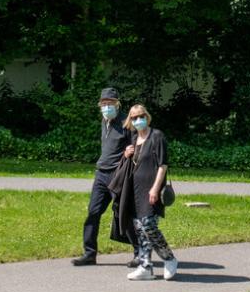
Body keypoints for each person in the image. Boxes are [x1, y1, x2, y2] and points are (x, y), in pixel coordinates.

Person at [71, 86, 139, 267]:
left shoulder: (127, 122)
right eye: (104, 103)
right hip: (101, 174)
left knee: (123, 213)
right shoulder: (105, 120)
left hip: (119, 174)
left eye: (110, 103)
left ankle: (140, 253)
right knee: (93, 212)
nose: (106, 106)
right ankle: (89, 253)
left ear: (117, 104)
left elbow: (137, 145)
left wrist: (130, 151)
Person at [123, 104, 178, 282]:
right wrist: (126, 154)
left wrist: (155, 188)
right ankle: (145, 266)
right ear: (130, 121)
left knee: (148, 225)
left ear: (147, 116)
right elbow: (132, 163)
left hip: (151, 189)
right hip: (135, 190)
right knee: (139, 228)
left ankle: (169, 258)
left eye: (141, 116)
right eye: (134, 117)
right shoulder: (133, 138)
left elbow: (163, 165)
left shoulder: (157, 136)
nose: (138, 120)